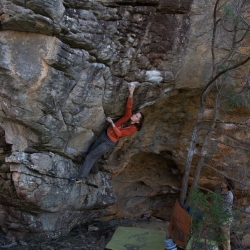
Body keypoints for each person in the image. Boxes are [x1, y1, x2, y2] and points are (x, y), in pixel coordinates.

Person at [68, 84, 144, 184]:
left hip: (108, 143)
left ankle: (79, 178)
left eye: (136, 116)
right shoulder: (127, 117)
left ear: (138, 122)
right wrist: (131, 93)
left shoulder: (132, 129)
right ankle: (94, 171)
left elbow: (119, 134)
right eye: (135, 114)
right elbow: (129, 107)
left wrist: (112, 123)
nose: (134, 115)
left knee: (90, 157)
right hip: (104, 135)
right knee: (92, 154)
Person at [215, 177, 235, 250]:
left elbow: (222, 209)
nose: (222, 182)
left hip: (225, 219)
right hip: (217, 217)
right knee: (218, 238)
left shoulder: (229, 195)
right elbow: (214, 200)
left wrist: (214, 212)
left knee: (225, 240)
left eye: (224, 182)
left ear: (227, 185)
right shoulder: (218, 189)